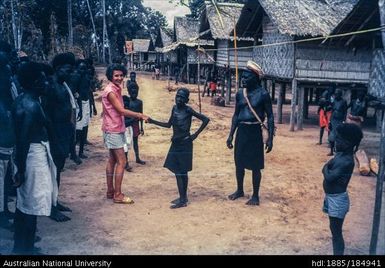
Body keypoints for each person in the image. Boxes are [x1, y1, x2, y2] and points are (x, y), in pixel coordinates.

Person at [12, 62, 58, 254]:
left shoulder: (25, 100)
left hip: (28, 156)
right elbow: (23, 140)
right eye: (43, 80)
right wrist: (21, 170)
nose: (47, 83)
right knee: (31, 205)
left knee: (25, 204)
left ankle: (20, 246)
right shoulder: (31, 106)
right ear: (36, 83)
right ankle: (26, 250)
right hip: (32, 157)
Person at [148, 88, 209, 209]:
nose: (179, 99)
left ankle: (182, 200)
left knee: (181, 171)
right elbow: (168, 124)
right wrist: (152, 121)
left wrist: (194, 135)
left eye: (182, 97)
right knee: (178, 170)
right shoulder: (174, 109)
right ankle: (183, 197)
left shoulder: (188, 110)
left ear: (186, 100)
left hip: (185, 143)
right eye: (177, 96)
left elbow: (206, 119)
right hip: (175, 144)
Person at [226, 60, 274, 206]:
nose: (243, 80)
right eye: (242, 77)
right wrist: (231, 135)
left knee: (255, 166)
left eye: (246, 77)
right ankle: (240, 190)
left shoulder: (263, 95)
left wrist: (270, 138)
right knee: (239, 163)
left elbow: (270, 116)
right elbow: (236, 115)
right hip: (242, 131)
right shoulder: (240, 94)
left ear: (255, 78)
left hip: (254, 132)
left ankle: (255, 196)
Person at [102, 64, 149, 204]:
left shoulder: (116, 88)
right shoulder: (110, 91)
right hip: (113, 129)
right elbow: (121, 110)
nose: (119, 78)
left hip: (115, 127)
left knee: (112, 159)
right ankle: (117, 194)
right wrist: (139, 115)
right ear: (110, 76)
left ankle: (110, 191)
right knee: (122, 161)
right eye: (116, 75)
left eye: (121, 75)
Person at [44, 52, 77, 222]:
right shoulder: (50, 85)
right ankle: (51, 207)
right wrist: (53, 137)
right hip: (54, 133)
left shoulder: (63, 85)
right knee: (53, 169)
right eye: (67, 70)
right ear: (57, 68)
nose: (70, 73)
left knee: (58, 169)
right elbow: (47, 114)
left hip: (64, 131)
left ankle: (55, 201)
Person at [322, 123, 363, 255]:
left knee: (337, 233)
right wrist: (326, 169)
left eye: (339, 139)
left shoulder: (347, 161)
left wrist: (325, 169)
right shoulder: (340, 155)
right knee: (334, 230)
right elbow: (328, 169)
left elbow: (329, 176)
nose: (335, 141)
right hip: (332, 197)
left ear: (348, 143)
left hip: (338, 201)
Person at [125, 82, 146, 165]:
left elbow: (141, 114)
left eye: (136, 92)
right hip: (128, 125)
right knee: (127, 143)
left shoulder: (139, 102)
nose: (134, 94)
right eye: (132, 92)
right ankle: (126, 161)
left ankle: (137, 158)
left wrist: (142, 127)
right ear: (129, 92)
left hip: (136, 124)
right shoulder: (127, 101)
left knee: (135, 142)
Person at [328, 89, 347, 156]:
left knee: (339, 136)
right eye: (335, 94)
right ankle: (331, 151)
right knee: (331, 136)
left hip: (340, 120)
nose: (336, 95)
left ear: (340, 94)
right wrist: (330, 121)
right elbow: (332, 111)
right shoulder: (334, 101)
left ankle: (338, 151)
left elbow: (345, 112)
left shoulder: (343, 101)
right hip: (333, 119)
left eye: (337, 94)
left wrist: (344, 121)